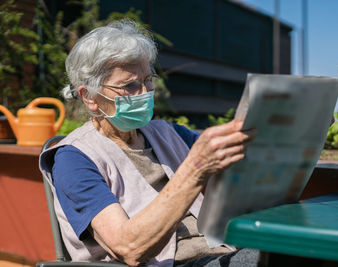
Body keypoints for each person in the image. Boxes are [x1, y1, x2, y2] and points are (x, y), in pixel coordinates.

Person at [39, 19, 258, 267]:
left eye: (148, 80)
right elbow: (128, 248)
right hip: (168, 263)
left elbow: (231, 154)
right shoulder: (73, 159)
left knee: (288, 249)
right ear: (89, 97)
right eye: (130, 85)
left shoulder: (166, 133)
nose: (145, 93)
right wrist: (195, 169)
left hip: (217, 250)